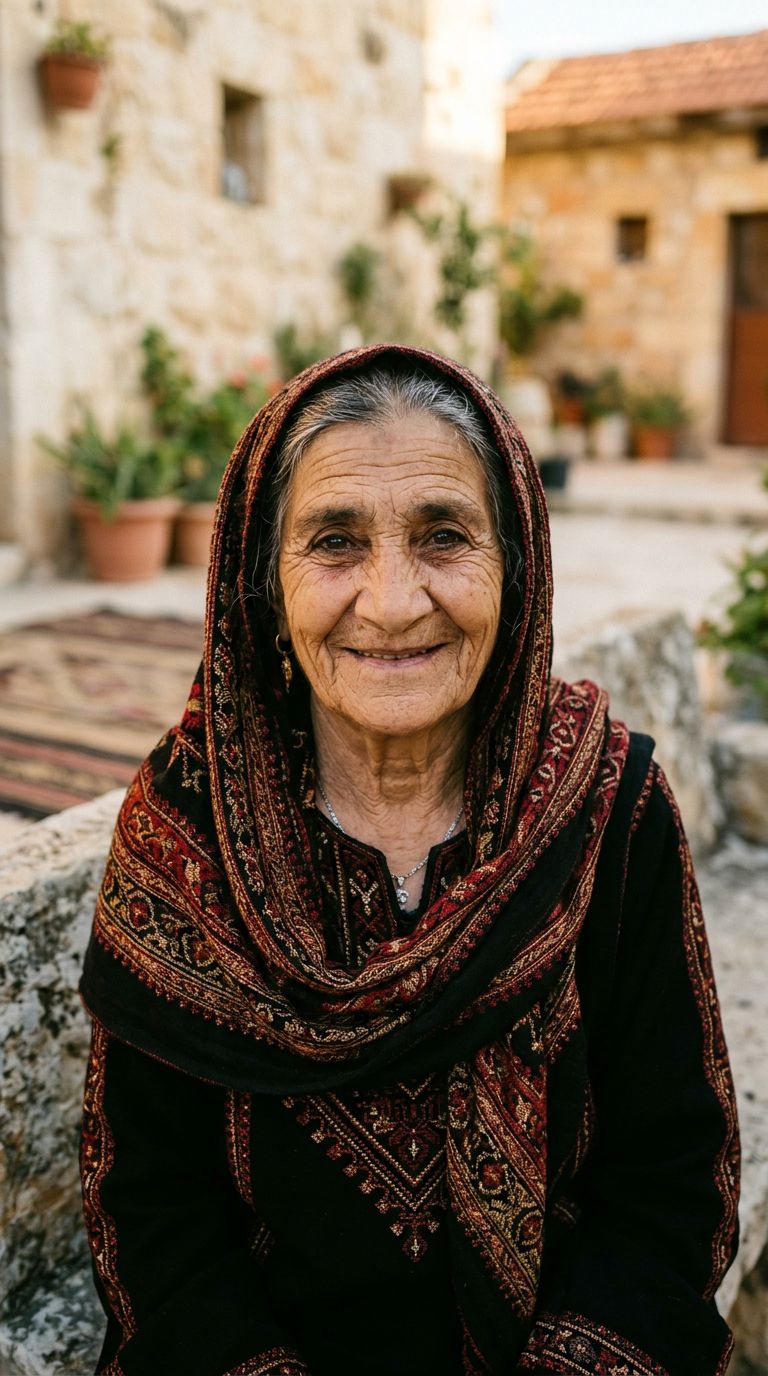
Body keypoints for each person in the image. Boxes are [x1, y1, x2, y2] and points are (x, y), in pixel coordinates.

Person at [79, 345, 740, 1376]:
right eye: (335, 541)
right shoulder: (183, 833)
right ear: (263, 583)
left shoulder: (609, 811)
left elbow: (672, 1182)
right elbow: (150, 1215)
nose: (391, 601)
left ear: (515, 564)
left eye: (443, 535)